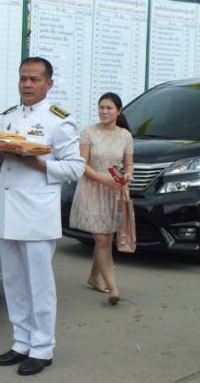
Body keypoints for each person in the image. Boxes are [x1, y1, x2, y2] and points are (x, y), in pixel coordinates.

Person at [0, 57, 85, 376]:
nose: (27, 84)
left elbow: (75, 167)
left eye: (34, 79)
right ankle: (21, 342)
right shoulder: (7, 117)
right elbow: (5, 167)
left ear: (49, 83)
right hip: (9, 211)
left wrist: (37, 164)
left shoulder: (59, 121)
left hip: (37, 214)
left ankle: (42, 348)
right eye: (23, 78)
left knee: (39, 285)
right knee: (14, 282)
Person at [69, 92, 133, 305]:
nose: (104, 112)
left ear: (118, 111)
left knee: (105, 236)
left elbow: (129, 164)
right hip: (91, 188)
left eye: (109, 108)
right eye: (101, 107)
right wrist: (104, 180)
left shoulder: (125, 136)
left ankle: (94, 277)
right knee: (103, 239)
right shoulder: (88, 133)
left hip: (114, 191)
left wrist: (128, 175)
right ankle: (113, 289)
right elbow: (82, 165)